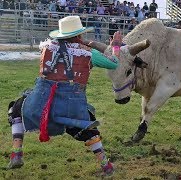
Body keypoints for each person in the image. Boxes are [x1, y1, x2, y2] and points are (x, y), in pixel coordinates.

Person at [6, 15, 123, 176]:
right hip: (71, 107)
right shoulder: (88, 53)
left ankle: (16, 153)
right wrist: (113, 46)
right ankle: (106, 167)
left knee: (16, 108)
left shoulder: (47, 47)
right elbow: (114, 63)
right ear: (79, 35)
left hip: (40, 104)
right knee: (88, 127)